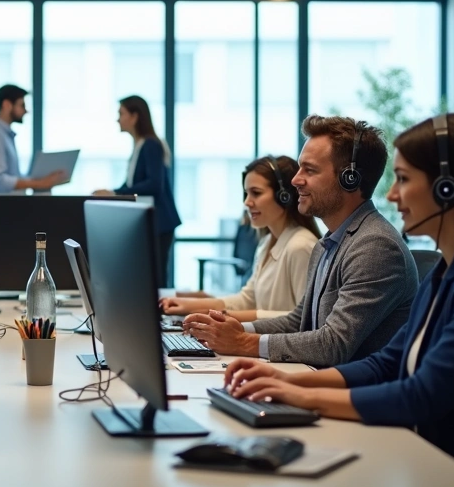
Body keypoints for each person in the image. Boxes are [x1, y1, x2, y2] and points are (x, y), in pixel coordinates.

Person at [223, 113, 454, 487]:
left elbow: (421, 396)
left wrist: (302, 397)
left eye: (403, 179)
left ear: (446, 188)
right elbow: (388, 363)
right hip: (435, 460)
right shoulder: (448, 272)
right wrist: (289, 384)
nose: (391, 195)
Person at [183, 115, 417, 367]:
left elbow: (333, 344)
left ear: (350, 178)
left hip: (350, 397)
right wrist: (235, 328)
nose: (295, 180)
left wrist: (242, 342)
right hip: (314, 380)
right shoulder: (328, 243)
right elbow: (298, 321)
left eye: (310, 170)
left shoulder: (375, 246)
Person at [161, 156, 320, 322]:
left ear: (284, 196)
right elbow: (247, 299)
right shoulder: (266, 244)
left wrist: (221, 316)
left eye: (256, 193)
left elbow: (303, 319)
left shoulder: (300, 246)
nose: (247, 202)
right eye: (246, 193)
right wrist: (186, 306)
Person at [94, 95, 182, 283]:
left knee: (156, 277)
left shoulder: (151, 144)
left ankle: (161, 312)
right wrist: (111, 193)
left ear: (135, 117)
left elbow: (153, 185)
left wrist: (116, 193)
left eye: (121, 114)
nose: (118, 119)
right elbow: (132, 185)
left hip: (160, 222)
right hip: (153, 221)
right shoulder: (140, 145)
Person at [0, 84, 65, 195]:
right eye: (22, 105)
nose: (26, 111)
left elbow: (14, 177)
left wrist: (45, 179)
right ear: (7, 105)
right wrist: (40, 183)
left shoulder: (5, 136)